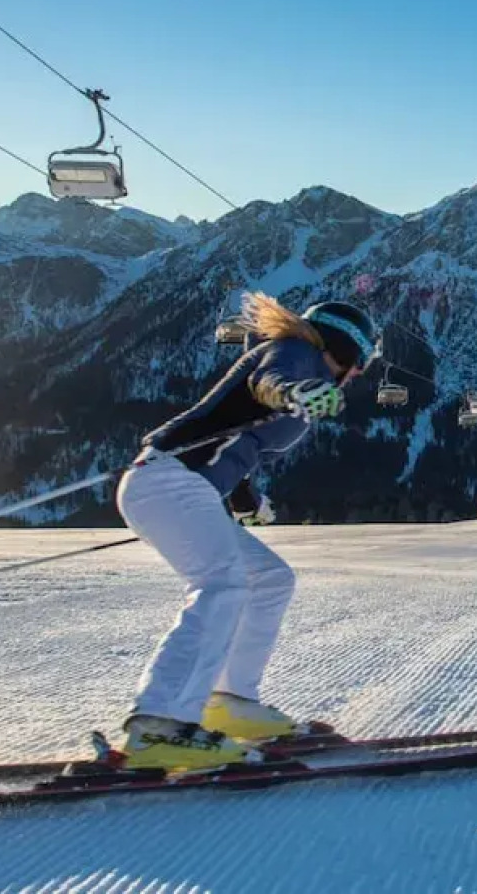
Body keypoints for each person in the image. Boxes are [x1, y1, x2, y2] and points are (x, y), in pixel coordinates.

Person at [114, 292, 377, 771]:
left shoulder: (305, 363)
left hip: (182, 484)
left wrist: (245, 500)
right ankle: (160, 726)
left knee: (270, 578)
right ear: (342, 346)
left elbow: (240, 441)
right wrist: (294, 393)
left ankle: (230, 700)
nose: (359, 373)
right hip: (168, 481)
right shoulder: (297, 353)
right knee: (222, 583)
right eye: (361, 360)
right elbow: (267, 383)